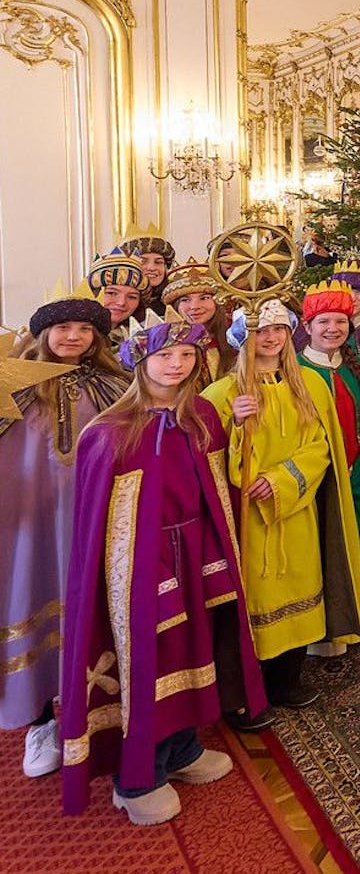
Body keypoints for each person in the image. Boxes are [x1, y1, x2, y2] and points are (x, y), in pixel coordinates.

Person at [62, 316, 264, 823]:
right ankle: (138, 777)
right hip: (138, 570)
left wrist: (244, 428)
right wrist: (142, 571)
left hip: (197, 554)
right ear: (140, 362)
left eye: (187, 356)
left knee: (195, 652)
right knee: (150, 663)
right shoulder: (108, 433)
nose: (177, 365)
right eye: (164, 356)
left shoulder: (200, 415)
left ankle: (180, 750)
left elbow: (221, 486)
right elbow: (100, 531)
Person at [203, 301, 360, 728]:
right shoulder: (222, 393)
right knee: (254, 597)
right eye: (260, 330)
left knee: (301, 586)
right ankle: (247, 690)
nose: (270, 338)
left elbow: (321, 446)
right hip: (248, 522)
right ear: (243, 338)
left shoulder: (310, 385)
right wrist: (235, 425)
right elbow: (204, 459)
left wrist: (281, 479)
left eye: (278, 328)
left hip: (297, 510)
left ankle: (286, 680)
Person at [2, 293, 127, 779]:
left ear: (97, 336)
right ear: (42, 334)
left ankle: (99, 718)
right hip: (29, 529)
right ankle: (39, 722)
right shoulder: (13, 387)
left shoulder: (115, 385)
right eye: (62, 328)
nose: (73, 336)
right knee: (30, 600)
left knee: (96, 613)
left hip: (96, 521)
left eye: (83, 328)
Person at [299, 281, 360, 638]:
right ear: (307, 327)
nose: (332, 329)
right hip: (318, 480)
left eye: (339, 322)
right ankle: (324, 632)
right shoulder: (296, 371)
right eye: (323, 322)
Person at [161, 260, 236, 383]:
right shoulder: (163, 342)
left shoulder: (233, 334)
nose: (195, 306)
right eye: (185, 300)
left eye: (204, 298)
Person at [86, 252, 150, 336]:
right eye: (111, 293)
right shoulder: (75, 338)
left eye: (132, 297)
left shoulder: (142, 337)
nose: (121, 302)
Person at [117, 232, 176, 301]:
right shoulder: (115, 303)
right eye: (142, 261)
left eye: (158, 262)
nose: (151, 268)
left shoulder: (176, 303)